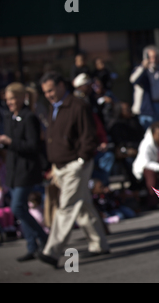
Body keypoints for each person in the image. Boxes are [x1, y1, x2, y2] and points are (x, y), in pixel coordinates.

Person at [38, 71, 109, 268]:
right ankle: (99, 243)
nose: (49, 95)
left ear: (62, 85)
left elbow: (88, 135)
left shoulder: (78, 106)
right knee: (83, 205)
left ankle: (51, 251)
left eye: (51, 90)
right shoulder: (54, 107)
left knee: (67, 207)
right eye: (45, 92)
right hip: (61, 165)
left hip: (75, 165)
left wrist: (81, 160)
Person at [0, 82, 48, 262]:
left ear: (21, 98)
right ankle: (32, 246)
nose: (9, 102)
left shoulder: (29, 118)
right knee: (21, 209)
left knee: (17, 207)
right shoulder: (10, 117)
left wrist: (10, 142)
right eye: (7, 99)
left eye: (12, 98)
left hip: (26, 170)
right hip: (12, 170)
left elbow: (33, 146)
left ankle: (44, 238)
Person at [132, 121, 159, 209]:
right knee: (151, 176)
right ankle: (152, 202)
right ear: (153, 134)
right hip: (146, 168)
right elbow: (146, 163)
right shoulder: (145, 144)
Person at [129, 45, 159, 131]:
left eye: (156, 57)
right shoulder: (142, 71)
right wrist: (143, 67)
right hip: (148, 108)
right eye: (151, 57)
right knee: (151, 135)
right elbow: (133, 81)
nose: (154, 60)